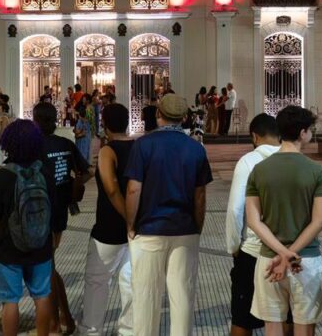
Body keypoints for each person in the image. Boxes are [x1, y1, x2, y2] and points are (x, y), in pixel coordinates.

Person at [125, 93, 212, 336]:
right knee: (182, 296)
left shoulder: (143, 145)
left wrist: (130, 225)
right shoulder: (195, 148)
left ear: (158, 114)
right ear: (184, 118)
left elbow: (133, 189)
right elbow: (200, 195)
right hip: (184, 229)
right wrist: (197, 226)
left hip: (149, 230)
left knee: (146, 298)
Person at [245, 105, 322, 335]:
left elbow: (254, 221)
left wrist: (282, 253)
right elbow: (319, 222)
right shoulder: (316, 171)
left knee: (273, 327)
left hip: (269, 261)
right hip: (305, 260)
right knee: (304, 327)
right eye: (310, 130)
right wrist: (290, 254)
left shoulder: (259, 170)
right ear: (303, 133)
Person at [0, 119, 56, 336]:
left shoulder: (3, 176)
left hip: (9, 248)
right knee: (42, 296)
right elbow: (54, 211)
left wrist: (9, 231)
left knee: (10, 300)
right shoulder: (45, 173)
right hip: (41, 246)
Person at [34, 102, 91, 335]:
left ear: (35, 121)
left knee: (46, 268)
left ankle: (56, 324)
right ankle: (65, 318)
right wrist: (71, 186)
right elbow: (87, 171)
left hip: (39, 212)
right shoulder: (65, 144)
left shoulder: (33, 146)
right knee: (49, 265)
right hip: (60, 211)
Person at [225, 114, 282, 336]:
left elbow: (235, 209)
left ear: (255, 136)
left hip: (253, 251)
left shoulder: (248, 161)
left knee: (243, 319)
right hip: (287, 252)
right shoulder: (295, 160)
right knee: (284, 317)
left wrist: (234, 246)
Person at [80, 103, 134, 336]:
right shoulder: (138, 148)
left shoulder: (107, 152)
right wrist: (135, 221)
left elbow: (112, 190)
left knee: (97, 281)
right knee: (130, 281)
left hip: (110, 226)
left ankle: (91, 330)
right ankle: (130, 330)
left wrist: (128, 218)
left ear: (105, 124)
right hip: (136, 227)